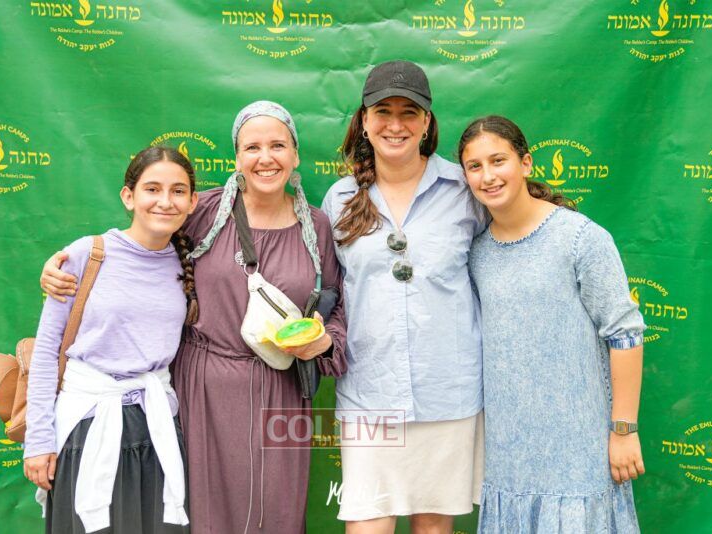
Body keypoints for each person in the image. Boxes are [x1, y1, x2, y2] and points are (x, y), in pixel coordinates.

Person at [39, 101, 347, 534]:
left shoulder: (317, 227)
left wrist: (325, 343)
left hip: (282, 390)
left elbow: (337, 306)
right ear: (236, 157)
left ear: (295, 155)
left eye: (278, 145)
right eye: (252, 147)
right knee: (203, 513)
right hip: (203, 388)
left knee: (276, 510)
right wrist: (64, 267)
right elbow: (141, 250)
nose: (265, 157)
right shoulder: (202, 211)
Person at [459, 115, 645, 533]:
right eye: (475, 166)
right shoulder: (476, 254)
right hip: (509, 456)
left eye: (498, 160)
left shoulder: (580, 239)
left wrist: (623, 430)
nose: (488, 176)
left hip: (581, 451)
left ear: (525, 163)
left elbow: (625, 335)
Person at [321, 60, 485, 534]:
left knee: (433, 527)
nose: (396, 125)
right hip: (370, 394)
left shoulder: (464, 191)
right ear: (364, 121)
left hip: (447, 392)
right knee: (367, 524)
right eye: (383, 112)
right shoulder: (339, 199)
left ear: (427, 122)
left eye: (409, 112)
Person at [24, 146, 198, 533]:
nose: (165, 201)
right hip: (88, 425)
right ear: (128, 196)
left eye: (178, 191)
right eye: (152, 188)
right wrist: (38, 441)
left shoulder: (188, 264)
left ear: (193, 202)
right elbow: (47, 351)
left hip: (156, 428)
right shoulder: (88, 254)